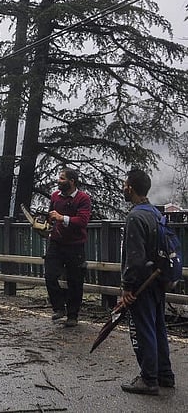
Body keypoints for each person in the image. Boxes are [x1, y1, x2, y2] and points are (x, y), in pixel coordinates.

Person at [119, 168, 175, 395]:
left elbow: (135, 257)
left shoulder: (135, 217)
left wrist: (128, 287)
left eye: (125, 184)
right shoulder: (155, 213)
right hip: (158, 280)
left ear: (130, 188)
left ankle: (148, 378)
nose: (123, 187)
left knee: (144, 330)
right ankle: (165, 375)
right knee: (158, 327)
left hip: (142, 283)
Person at [44, 167, 92, 327]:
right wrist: (47, 224)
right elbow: (51, 215)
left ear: (72, 181)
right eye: (59, 178)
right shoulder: (55, 196)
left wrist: (62, 218)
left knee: (75, 281)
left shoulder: (83, 198)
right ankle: (58, 308)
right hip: (56, 243)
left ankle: (73, 315)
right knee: (50, 275)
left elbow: (83, 221)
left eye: (63, 178)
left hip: (75, 245)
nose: (59, 181)